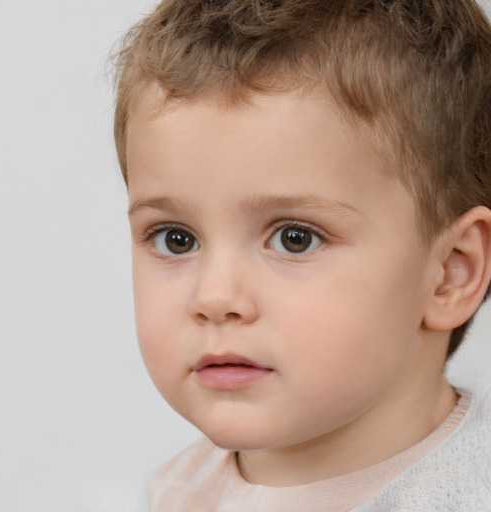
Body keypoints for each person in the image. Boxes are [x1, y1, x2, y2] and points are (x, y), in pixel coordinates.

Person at [112, 0, 491, 509]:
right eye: (176, 238)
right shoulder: (175, 493)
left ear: (449, 274)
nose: (215, 297)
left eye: (295, 238)